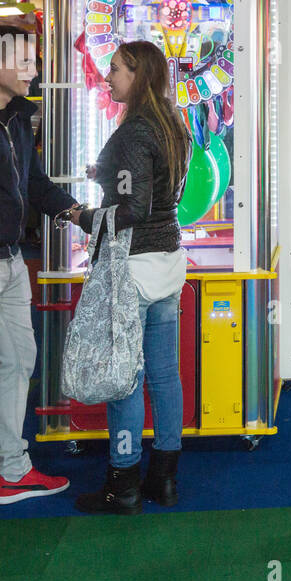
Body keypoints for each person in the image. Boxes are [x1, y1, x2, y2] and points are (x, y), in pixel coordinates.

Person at [0, 25, 79, 511]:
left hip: (9, 258)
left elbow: (36, 183)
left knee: (19, 362)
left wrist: (78, 213)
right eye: (26, 61)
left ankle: (13, 470)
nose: (35, 70)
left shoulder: (19, 118)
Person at [71, 40, 192, 514]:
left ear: (138, 75)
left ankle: (122, 484)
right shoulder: (171, 122)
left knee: (124, 377)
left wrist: (81, 215)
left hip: (132, 269)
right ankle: (164, 479)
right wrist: (106, 172)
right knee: (164, 376)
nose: (108, 75)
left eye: (117, 69)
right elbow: (154, 190)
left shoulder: (134, 131)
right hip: (167, 260)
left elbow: (133, 209)